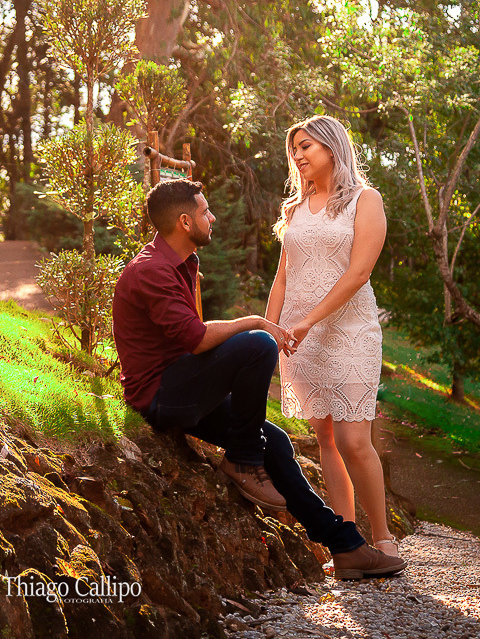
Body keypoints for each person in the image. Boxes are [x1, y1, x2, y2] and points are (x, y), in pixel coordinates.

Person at [113, 177, 405, 580]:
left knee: (279, 441)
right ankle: (243, 460)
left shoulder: (183, 263)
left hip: (182, 385)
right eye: (205, 212)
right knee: (257, 344)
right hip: (161, 397)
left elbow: (187, 341)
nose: (212, 218)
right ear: (184, 221)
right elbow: (196, 340)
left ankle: (346, 547)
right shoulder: (151, 271)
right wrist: (255, 321)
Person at [266, 115, 397, 556]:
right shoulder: (295, 210)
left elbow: (359, 272)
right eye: (295, 150)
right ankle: (348, 542)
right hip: (301, 338)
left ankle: (384, 538)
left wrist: (308, 320)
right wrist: (270, 331)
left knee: (353, 440)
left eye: (306, 146)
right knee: (324, 438)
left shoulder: (366, 200)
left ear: (332, 147)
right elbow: (283, 278)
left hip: (351, 331)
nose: (298, 156)